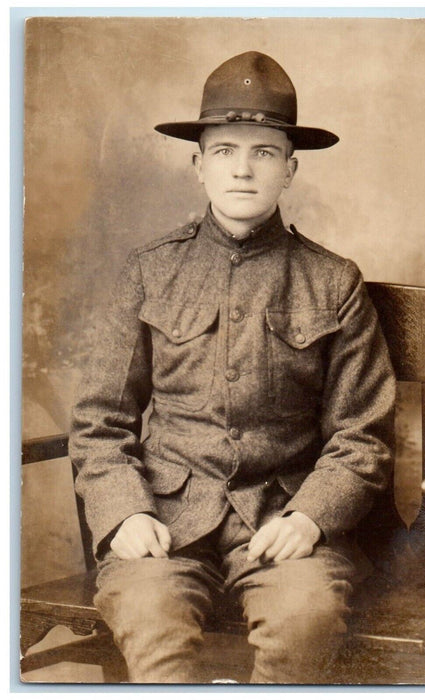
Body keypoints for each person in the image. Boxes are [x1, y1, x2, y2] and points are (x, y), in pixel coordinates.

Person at [69, 51, 396, 684]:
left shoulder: (333, 282)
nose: (242, 169)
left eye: (264, 153)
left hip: (284, 522)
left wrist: (311, 517)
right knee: (148, 618)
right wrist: (125, 513)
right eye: (223, 151)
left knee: (306, 618)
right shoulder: (149, 271)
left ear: (290, 168)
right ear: (198, 165)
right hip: (164, 524)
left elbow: (363, 434)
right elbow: (99, 420)